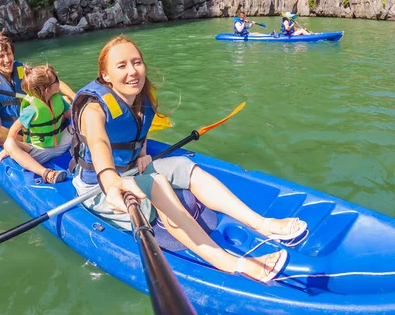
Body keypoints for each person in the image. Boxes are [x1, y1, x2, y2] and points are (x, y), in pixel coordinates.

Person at [69, 35, 307, 283]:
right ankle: (233, 264)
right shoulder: (93, 108)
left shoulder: (141, 97)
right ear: (105, 75)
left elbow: (139, 129)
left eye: (136, 62)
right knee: (159, 183)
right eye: (122, 66)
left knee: (184, 166)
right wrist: (110, 180)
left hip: (131, 170)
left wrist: (142, 153)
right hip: (100, 188)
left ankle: (261, 224)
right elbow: (99, 142)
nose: (133, 71)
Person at [0, 30, 75, 145]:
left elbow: (54, 82)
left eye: (9, 54)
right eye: (1, 56)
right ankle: (21, 144)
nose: (7, 60)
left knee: (64, 99)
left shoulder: (25, 71)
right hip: (14, 133)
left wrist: (76, 98)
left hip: (37, 126)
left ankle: (49, 134)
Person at [0, 65, 70, 184]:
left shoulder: (59, 100)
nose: (59, 82)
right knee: (9, 143)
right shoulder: (31, 110)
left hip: (61, 142)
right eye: (56, 81)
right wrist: (7, 150)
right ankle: (47, 173)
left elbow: (74, 117)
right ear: (46, 90)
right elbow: (14, 129)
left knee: (80, 123)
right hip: (39, 151)